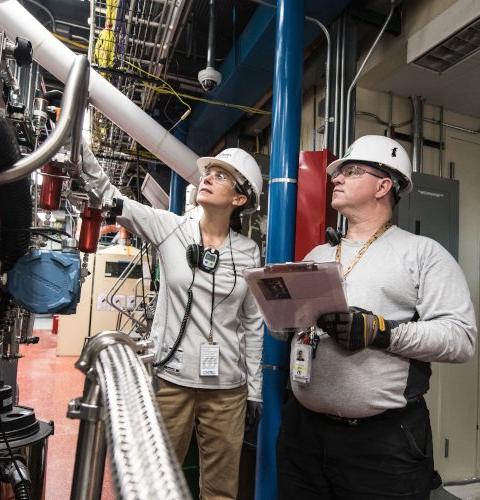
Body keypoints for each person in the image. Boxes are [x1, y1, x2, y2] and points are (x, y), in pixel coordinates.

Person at [276, 135, 477, 499]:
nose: (335, 179)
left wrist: (379, 332)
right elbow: (290, 329)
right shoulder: (320, 252)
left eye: (350, 172)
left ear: (384, 185)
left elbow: (460, 339)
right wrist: (284, 321)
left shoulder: (422, 254)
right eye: (338, 174)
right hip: (302, 435)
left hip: (382, 445)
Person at [80, 145, 264, 499]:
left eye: (221, 175)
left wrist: (254, 390)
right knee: (155, 481)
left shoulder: (248, 251)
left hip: (227, 390)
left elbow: (252, 324)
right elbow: (109, 196)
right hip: (172, 382)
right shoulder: (170, 228)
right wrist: (79, 151)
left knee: (221, 489)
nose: (208, 177)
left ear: (239, 199)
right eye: (208, 172)